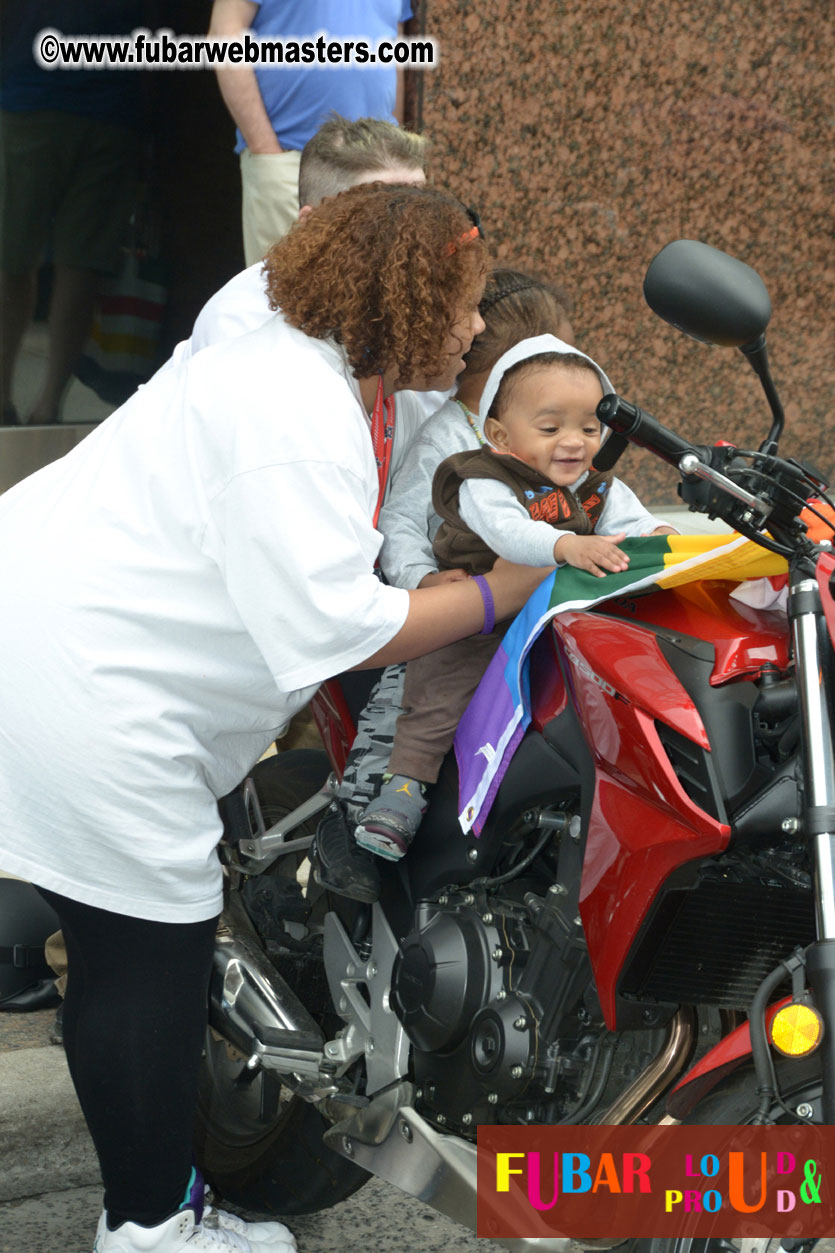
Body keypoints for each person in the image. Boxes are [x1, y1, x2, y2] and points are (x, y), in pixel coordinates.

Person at [0, 183, 550, 1253]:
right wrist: (506, 588)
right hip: (91, 678)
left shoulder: (281, 313)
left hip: (51, 599)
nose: (477, 327)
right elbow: (337, 628)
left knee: (116, 930)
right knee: (141, 956)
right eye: (463, 302)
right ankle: (150, 1224)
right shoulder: (294, 418)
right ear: (398, 300)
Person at [353, 334, 676, 861]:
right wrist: (567, 545)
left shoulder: (597, 487)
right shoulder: (484, 477)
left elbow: (637, 524)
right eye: (550, 428)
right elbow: (508, 535)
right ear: (500, 434)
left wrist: (669, 536)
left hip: (560, 620)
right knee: (440, 688)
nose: (573, 441)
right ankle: (404, 787)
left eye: (589, 428)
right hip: (483, 614)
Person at [318, 268, 576, 897]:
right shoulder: (448, 439)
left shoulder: (554, 432)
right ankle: (356, 814)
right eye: (561, 356)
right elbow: (401, 519)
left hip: (537, 611)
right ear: (515, 370)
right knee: (415, 698)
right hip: (463, 614)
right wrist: (424, 581)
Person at [0, 0, 140, 426]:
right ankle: (40, 404)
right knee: (52, 260)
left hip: (62, 103)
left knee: (38, 258)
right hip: (70, 103)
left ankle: (34, 403)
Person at [209, 0, 412, 264]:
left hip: (379, 164)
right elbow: (225, 34)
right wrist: (266, 150)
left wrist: (395, 150)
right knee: (284, 296)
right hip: (289, 160)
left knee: (378, 294)